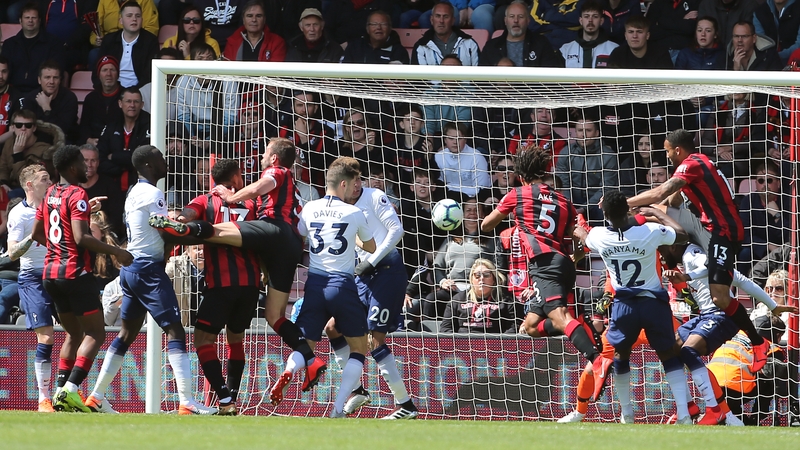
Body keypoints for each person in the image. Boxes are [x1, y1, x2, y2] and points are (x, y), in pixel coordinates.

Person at [149, 137, 327, 394]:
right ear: (235, 177)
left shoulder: (266, 178)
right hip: (269, 267)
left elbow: (203, 205)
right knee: (271, 317)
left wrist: (194, 213)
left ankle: (224, 396)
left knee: (212, 234)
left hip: (225, 279)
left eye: (266, 153)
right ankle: (310, 359)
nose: (262, 158)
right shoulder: (258, 205)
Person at [84, 145, 216, 415]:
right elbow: (165, 230)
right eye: (160, 159)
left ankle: (96, 396)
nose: (165, 162)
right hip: (147, 269)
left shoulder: (135, 191)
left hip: (132, 269)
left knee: (126, 333)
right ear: (147, 165)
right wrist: (201, 233)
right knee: (175, 330)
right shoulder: (152, 193)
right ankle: (187, 402)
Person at [627, 128, 772, 372]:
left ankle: (758, 343)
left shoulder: (692, 164)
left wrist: (625, 203)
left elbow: (662, 191)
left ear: (677, 150)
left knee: (720, 298)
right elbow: (669, 200)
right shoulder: (697, 166)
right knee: (660, 212)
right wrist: (652, 211)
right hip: (709, 232)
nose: (667, 157)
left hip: (722, 232)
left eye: (667, 152)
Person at [481, 144, 606, 403]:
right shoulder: (564, 202)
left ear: (520, 175)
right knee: (530, 327)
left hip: (545, 264)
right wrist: (575, 257)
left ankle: (597, 360)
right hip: (562, 263)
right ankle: (578, 326)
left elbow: (485, 225)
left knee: (559, 315)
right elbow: (580, 242)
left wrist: (514, 215)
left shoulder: (517, 194)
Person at [271, 157, 376, 418]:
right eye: (353, 185)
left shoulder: (309, 208)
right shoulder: (354, 213)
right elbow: (372, 247)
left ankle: (290, 370)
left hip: (314, 285)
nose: (355, 190)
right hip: (342, 285)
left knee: (304, 344)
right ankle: (338, 407)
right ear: (343, 184)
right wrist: (353, 242)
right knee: (359, 347)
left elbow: (303, 237)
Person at [31, 145, 133, 412]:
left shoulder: (50, 193)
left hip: (50, 275)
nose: (86, 165)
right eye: (81, 161)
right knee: (95, 332)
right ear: (73, 167)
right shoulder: (77, 193)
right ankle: (71, 389)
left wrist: (57, 248)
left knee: (73, 334)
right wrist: (117, 252)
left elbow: (37, 233)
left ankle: (59, 393)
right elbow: (81, 237)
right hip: (75, 273)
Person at [578, 190, 694, 424]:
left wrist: (578, 227)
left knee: (621, 355)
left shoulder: (599, 236)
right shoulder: (649, 231)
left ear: (606, 213)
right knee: (669, 355)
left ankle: (627, 413)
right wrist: (654, 212)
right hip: (654, 302)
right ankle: (684, 413)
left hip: (624, 305)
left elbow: (584, 237)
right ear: (628, 208)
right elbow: (682, 235)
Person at [323, 159, 419, 419]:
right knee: (333, 328)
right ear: (342, 183)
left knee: (374, 340)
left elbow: (396, 230)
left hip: (387, 273)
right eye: (353, 182)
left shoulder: (375, 196)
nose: (358, 185)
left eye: (360, 180)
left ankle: (406, 405)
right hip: (360, 277)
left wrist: (372, 261)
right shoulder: (338, 208)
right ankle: (357, 391)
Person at [661, 240, 795, 425]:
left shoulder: (692, 255)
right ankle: (689, 409)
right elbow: (743, 280)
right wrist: (772, 305)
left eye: (661, 248)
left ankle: (715, 410)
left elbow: (711, 270)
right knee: (670, 348)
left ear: (673, 246)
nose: (659, 254)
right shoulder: (707, 259)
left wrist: (686, 276)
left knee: (687, 351)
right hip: (706, 316)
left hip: (721, 316)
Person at [175, 159, 260, 416]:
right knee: (235, 339)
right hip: (251, 284)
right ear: (236, 177)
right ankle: (231, 399)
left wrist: (179, 218)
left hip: (221, 283)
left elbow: (187, 214)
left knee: (202, 339)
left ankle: (224, 398)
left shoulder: (205, 200)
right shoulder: (251, 203)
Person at [5, 164, 54, 412]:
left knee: (81, 333)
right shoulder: (19, 215)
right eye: (45, 179)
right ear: (30, 185)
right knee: (45, 337)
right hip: (33, 277)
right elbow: (13, 253)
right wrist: (33, 236)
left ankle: (71, 392)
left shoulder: (54, 206)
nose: (50, 182)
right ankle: (44, 398)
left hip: (59, 274)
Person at [707, 316, 787, 425]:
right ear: (777, 335)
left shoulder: (733, 335)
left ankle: (740, 419)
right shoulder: (770, 347)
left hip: (709, 385)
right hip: (734, 386)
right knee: (771, 377)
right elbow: (777, 378)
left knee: (730, 411)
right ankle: (757, 417)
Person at [555, 116, 621, 223]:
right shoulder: (566, 152)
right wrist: (569, 205)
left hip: (597, 204)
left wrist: (585, 208)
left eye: (588, 130)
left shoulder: (608, 156)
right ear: (575, 132)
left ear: (597, 133)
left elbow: (606, 188)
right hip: (571, 202)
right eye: (580, 130)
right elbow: (563, 184)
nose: (583, 134)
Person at [440, 258, 521, 333]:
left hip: (495, 345)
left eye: (486, 275)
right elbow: (445, 329)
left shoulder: (506, 300)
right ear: (471, 279)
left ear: (494, 279)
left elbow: (513, 329)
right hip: (464, 345)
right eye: (477, 275)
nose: (481, 278)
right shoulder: (458, 299)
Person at [0, 3, 65, 94]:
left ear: (39, 20)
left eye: (34, 18)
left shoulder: (53, 43)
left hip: (42, 93)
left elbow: (57, 71)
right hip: (13, 94)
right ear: (20, 21)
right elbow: (4, 72)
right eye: (27, 17)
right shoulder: (9, 44)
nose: (30, 20)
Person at [96, 1, 160, 89]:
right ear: (121, 21)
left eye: (138, 16)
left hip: (140, 91)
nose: (134, 19)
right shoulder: (109, 40)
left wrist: (134, 92)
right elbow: (98, 70)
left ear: (142, 20)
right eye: (129, 16)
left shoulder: (150, 41)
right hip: (113, 90)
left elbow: (149, 75)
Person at [479, 1, 564, 67]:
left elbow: (551, 77)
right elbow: (481, 81)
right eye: (512, 16)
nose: (516, 20)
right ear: (505, 20)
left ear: (528, 21)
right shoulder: (491, 47)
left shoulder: (541, 43)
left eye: (520, 17)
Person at [97, 87, 151, 191]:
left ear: (142, 105)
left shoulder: (150, 123)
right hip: (111, 186)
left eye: (136, 101)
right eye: (128, 101)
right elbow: (100, 157)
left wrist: (114, 157)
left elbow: (143, 158)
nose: (132, 105)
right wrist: (123, 166)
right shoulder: (112, 123)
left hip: (140, 187)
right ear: (120, 103)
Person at [16, 60, 78, 142]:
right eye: (47, 77)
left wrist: (46, 109)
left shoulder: (69, 98)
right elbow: (27, 128)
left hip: (64, 142)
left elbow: (61, 131)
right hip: (36, 142)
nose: (51, 82)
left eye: (55, 78)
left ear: (60, 80)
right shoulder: (30, 98)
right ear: (39, 80)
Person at [411, 2, 481, 66]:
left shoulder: (470, 44)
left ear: (453, 20)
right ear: (432, 20)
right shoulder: (421, 47)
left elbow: (479, 76)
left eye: (446, 17)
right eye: (438, 16)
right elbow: (418, 79)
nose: (441, 21)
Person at [79, 144, 125, 241]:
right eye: (85, 160)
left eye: (93, 160)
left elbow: (116, 220)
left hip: (106, 240)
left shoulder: (110, 186)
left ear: (98, 162)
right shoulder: (72, 187)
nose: (89, 164)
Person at [434, 122, 491, 199]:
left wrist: (450, 187)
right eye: (451, 138)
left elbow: (481, 189)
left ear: (465, 139)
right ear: (445, 140)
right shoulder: (438, 157)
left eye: (459, 138)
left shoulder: (476, 157)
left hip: (472, 200)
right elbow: (437, 186)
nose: (455, 142)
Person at [0, 110, 51, 193]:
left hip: (31, 190)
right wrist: (3, 183)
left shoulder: (44, 149)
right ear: (13, 127)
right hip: (9, 186)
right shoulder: (9, 142)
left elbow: (30, 181)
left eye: (28, 125)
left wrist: (17, 154)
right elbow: (3, 168)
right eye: (19, 125)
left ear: (34, 128)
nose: (23, 128)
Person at [222, 0, 286, 62]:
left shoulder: (277, 42)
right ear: (243, 20)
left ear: (264, 19)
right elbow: (228, 70)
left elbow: (275, 71)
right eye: (249, 16)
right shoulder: (232, 42)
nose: (254, 20)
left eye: (258, 16)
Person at [560, 0, 619, 68]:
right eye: (586, 16)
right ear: (581, 21)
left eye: (595, 16)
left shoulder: (614, 50)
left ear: (601, 21)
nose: (590, 20)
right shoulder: (565, 50)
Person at [80, 56, 122, 145]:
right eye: (104, 70)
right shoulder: (91, 98)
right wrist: (88, 139)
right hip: (94, 145)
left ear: (118, 74)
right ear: (99, 75)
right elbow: (84, 126)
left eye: (112, 70)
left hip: (119, 145)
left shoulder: (126, 97)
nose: (108, 74)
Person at [341, 11, 410, 64]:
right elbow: (342, 73)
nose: (378, 27)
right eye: (374, 24)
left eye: (383, 24)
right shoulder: (354, 47)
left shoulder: (399, 52)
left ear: (390, 28)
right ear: (367, 29)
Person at [607, 15, 674, 68]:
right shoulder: (617, 54)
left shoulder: (661, 54)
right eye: (631, 32)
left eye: (639, 32)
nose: (635, 36)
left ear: (647, 35)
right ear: (625, 35)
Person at [750, 269, 791, 343]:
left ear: (787, 290)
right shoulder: (758, 312)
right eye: (769, 288)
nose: (773, 292)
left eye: (778, 289)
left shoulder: (793, 315)